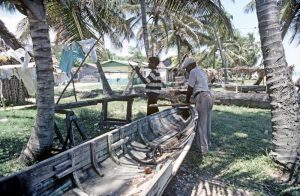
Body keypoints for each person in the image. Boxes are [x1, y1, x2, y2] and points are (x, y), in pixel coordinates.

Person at [181, 57, 213, 155]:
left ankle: (203, 149)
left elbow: (190, 88)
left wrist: (186, 101)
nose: (186, 70)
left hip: (201, 97)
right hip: (209, 96)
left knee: (201, 123)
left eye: (187, 68)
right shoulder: (202, 71)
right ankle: (208, 143)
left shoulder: (193, 72)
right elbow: (200, 86)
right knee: (207, 122)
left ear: (191, 65)